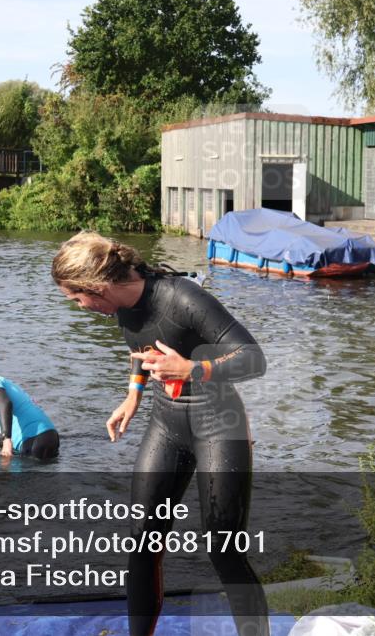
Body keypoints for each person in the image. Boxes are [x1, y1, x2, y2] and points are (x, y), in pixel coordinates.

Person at [52, 232, 269, 636]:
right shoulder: (121, 306)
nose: (80, 307)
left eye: (77, 299)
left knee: (223, 550)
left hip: (218, 424)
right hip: (166, 423)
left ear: (97, 286)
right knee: (142, 543)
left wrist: (193, 369)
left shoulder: (181, 297)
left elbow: (254, 358)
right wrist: (133, 394)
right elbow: (143, 348)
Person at [0, 354, 59, 461]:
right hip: (50, 436)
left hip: (33, 440)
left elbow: (5, 403)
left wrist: (6, 440)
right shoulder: (3, 383)